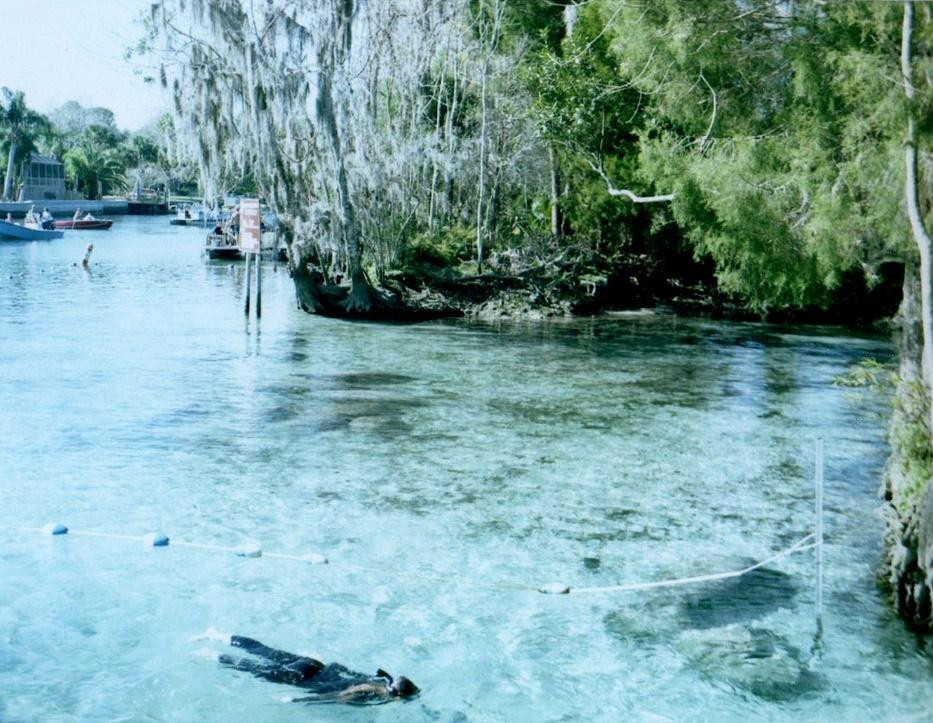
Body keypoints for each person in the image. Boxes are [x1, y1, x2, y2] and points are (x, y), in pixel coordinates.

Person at [190, 628, 419, 705]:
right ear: (399, 697)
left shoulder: (381, 679)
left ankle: (217, 635)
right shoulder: (377, 692)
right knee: (252, 668)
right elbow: (342, 694)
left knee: (264, 651)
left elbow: (343, 671)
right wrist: (299, 700)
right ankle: (210, 655)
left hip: (314, 664)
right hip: (301, 678)